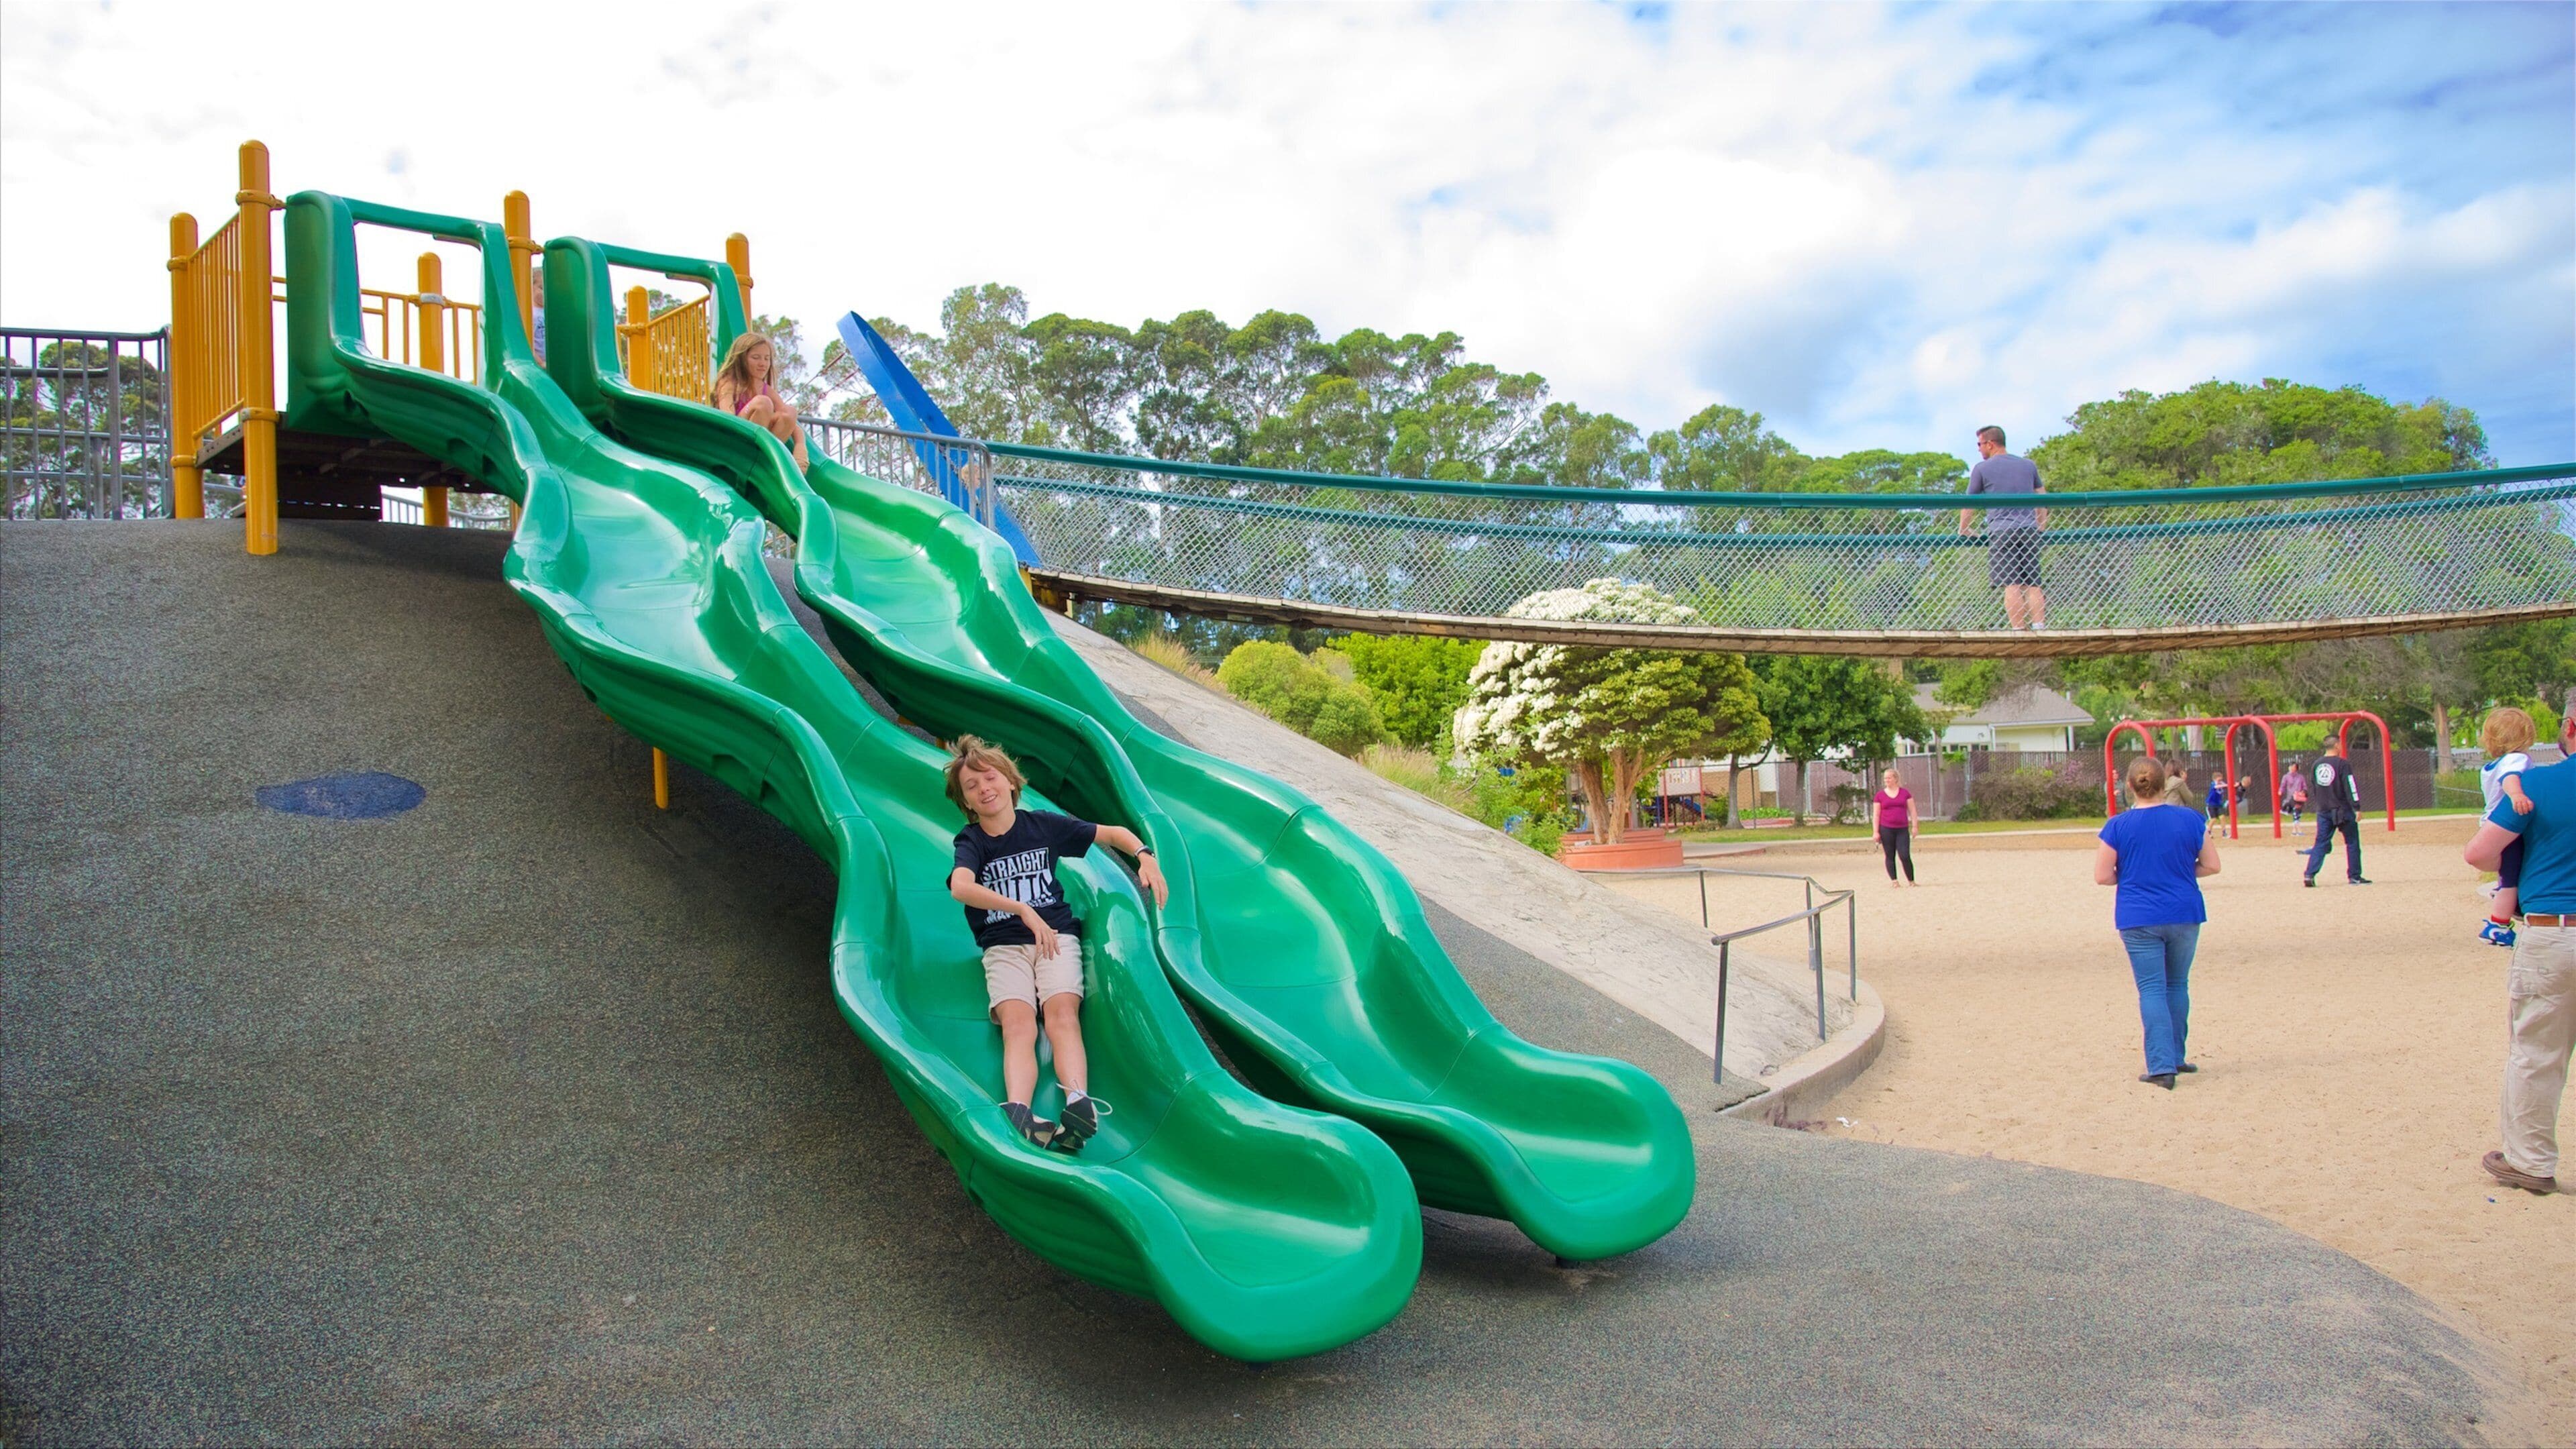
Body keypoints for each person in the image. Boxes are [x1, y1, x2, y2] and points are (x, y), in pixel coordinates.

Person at [945, 735, 1167, 1152]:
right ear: (966, 802)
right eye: (971, 787)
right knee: (1019, 1023)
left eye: (990, 778)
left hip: (1056, 937)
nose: (984, 789)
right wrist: (1021, 909)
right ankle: (1019, 1110)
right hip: (1004, 944)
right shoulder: (971, 841)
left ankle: (1079, 1103)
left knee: (1062, 1014)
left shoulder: (1043, 825)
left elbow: (1113, 833)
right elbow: (961, 887)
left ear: (1011, 782)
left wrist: (1144, 854)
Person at [2461, 698, 2574, 1196]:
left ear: (2570, 728)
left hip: (2555, 931)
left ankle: (2530, 1161)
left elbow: (2480, 853)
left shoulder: (2537, 785)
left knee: (2538, 1053)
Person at [2095, 755, 2221, 1088]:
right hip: (2184, 911)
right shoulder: (2191, 819)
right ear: (2165, 784)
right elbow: (2212, 865)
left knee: (2151, 988)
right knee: (2177, 984)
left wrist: (2130, 875)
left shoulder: (2117, 826)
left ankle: (2161, 1065)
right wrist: (2181, 871)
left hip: (2139, 915)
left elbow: (2103, 875)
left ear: (2130, 786)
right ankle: (2176, 1056)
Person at [1958, 425, 2049, 630]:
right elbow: (2042, 498)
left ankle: (2018, 629)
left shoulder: (1982, 469)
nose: (1979, 449)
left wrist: (1964, 529)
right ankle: (2039, 626)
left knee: (2011, 583)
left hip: (2002, 530)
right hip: (2029, 530)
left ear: (1990, 444)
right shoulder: (2028, 465)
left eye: (1980, 444)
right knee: (2033, 583)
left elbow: (1969, 503)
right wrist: (2040, 526)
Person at [2477, 707, 2540, 947]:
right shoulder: (2517, 759)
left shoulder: (2490, 767)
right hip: (2508, 827)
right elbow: (2510, 778)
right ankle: (2499, 925)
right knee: (2511, 880)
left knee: (2508, 875)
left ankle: (2502, 897)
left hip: (2491, 826)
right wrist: (2517, 795)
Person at [708, 331, 810, 470]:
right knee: (763, 403)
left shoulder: (766, 389)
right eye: (756, 358)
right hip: (737, 439)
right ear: (741, 359)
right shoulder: (729, 383)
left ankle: (765, 459)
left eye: (767, 359)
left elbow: (793, 423)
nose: (763, 364)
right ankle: (750, 455)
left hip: (761, 446)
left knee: (790, 411)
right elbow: (728, 418)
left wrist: (800, 449)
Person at [2302, 744, 2369, 887]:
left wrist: (2320, 804)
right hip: (2342, 809)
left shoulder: (2317, 764)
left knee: (2320, 843)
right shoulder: (2343, 764)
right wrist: (2356, 807)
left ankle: (2309, 874)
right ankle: (2354, 876)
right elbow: (2350, 785)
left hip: (2324, 810)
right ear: (2337, 746)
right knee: (2352, 842)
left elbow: (2314, 786)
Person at [1872, 767, 1918, 886]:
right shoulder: (1880, 795)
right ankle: (1894, 880)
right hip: (1886, 828)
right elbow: (1876, 815)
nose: (1887, 780)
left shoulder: (1905, 793)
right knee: (1890, 855)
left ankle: (1911, 880)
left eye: (1889, 778)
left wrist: (1915, 826)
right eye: (1885, 778)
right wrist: (1876, 832)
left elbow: (1912, 810)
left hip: (1902, 829)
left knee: (1904, 855)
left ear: (1896, 779)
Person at [2279, 758, 2309, 826]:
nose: (2291, 768)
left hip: (2298, 797)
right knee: (2293, 808)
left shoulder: (2301, 777)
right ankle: (2295, 821)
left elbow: (2304, 786)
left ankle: (2296, 823)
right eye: (2290, 766)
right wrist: (2281, 791)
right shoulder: (2286, 777)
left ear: (2296, 768)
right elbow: (2283, 785)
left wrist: (2303, 792)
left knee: (2297, 809)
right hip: (2291, 797)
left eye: (2293, 767)